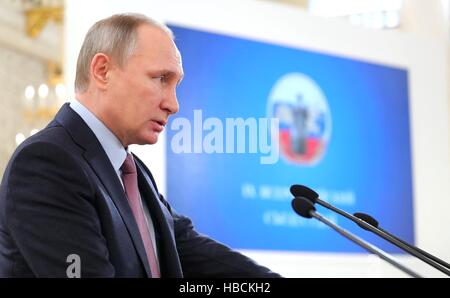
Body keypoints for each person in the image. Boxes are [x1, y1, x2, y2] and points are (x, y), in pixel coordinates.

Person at [0, 13, 281, 278]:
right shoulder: (46, 163)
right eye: (161, 79)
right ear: (102, 70)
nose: (174, 104)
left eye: (176, 85)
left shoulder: (133, 171)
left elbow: (185, 246)